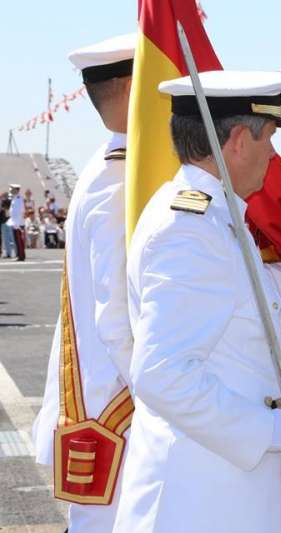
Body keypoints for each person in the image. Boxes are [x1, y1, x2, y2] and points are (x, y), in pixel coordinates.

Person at [113, 69, 281, 533]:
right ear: (238, 140)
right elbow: (162, 374)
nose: (273, 154)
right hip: (204, 499)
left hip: (225, 491)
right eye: (270, 137)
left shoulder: (211, 218)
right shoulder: (189, 229)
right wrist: (270, 430)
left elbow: (259, 294)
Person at [30, 33, 137, 533]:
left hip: (106, 401)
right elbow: (116, 320)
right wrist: (171, 393)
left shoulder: (107, 165)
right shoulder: (118, 180)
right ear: (132, 87)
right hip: (117, 408)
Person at [6, 184, 25, 261]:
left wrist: (17, 223)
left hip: (17, 223)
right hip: (15, 222)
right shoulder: (15, 198)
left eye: (12, 189)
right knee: (17, 239)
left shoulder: (18, 198)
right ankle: (20, 255)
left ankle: (21, 256)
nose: (11, 190)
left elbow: (19, 211)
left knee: (18, 240)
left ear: (16, 190)